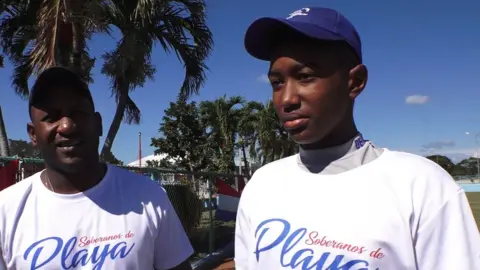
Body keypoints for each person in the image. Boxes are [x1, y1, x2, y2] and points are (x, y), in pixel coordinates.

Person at [235, 7, 480, 270]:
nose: (286, 99)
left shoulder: (421, 185)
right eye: (276, 83)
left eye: (305, 76)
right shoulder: (262, 185)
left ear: (355, 82)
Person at [0, 67, 193, 270]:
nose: (66, 126)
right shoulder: (6, 210)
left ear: (98, 124)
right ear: (33, 134)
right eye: (51, 117)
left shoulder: (149, 196)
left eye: (78, 113)